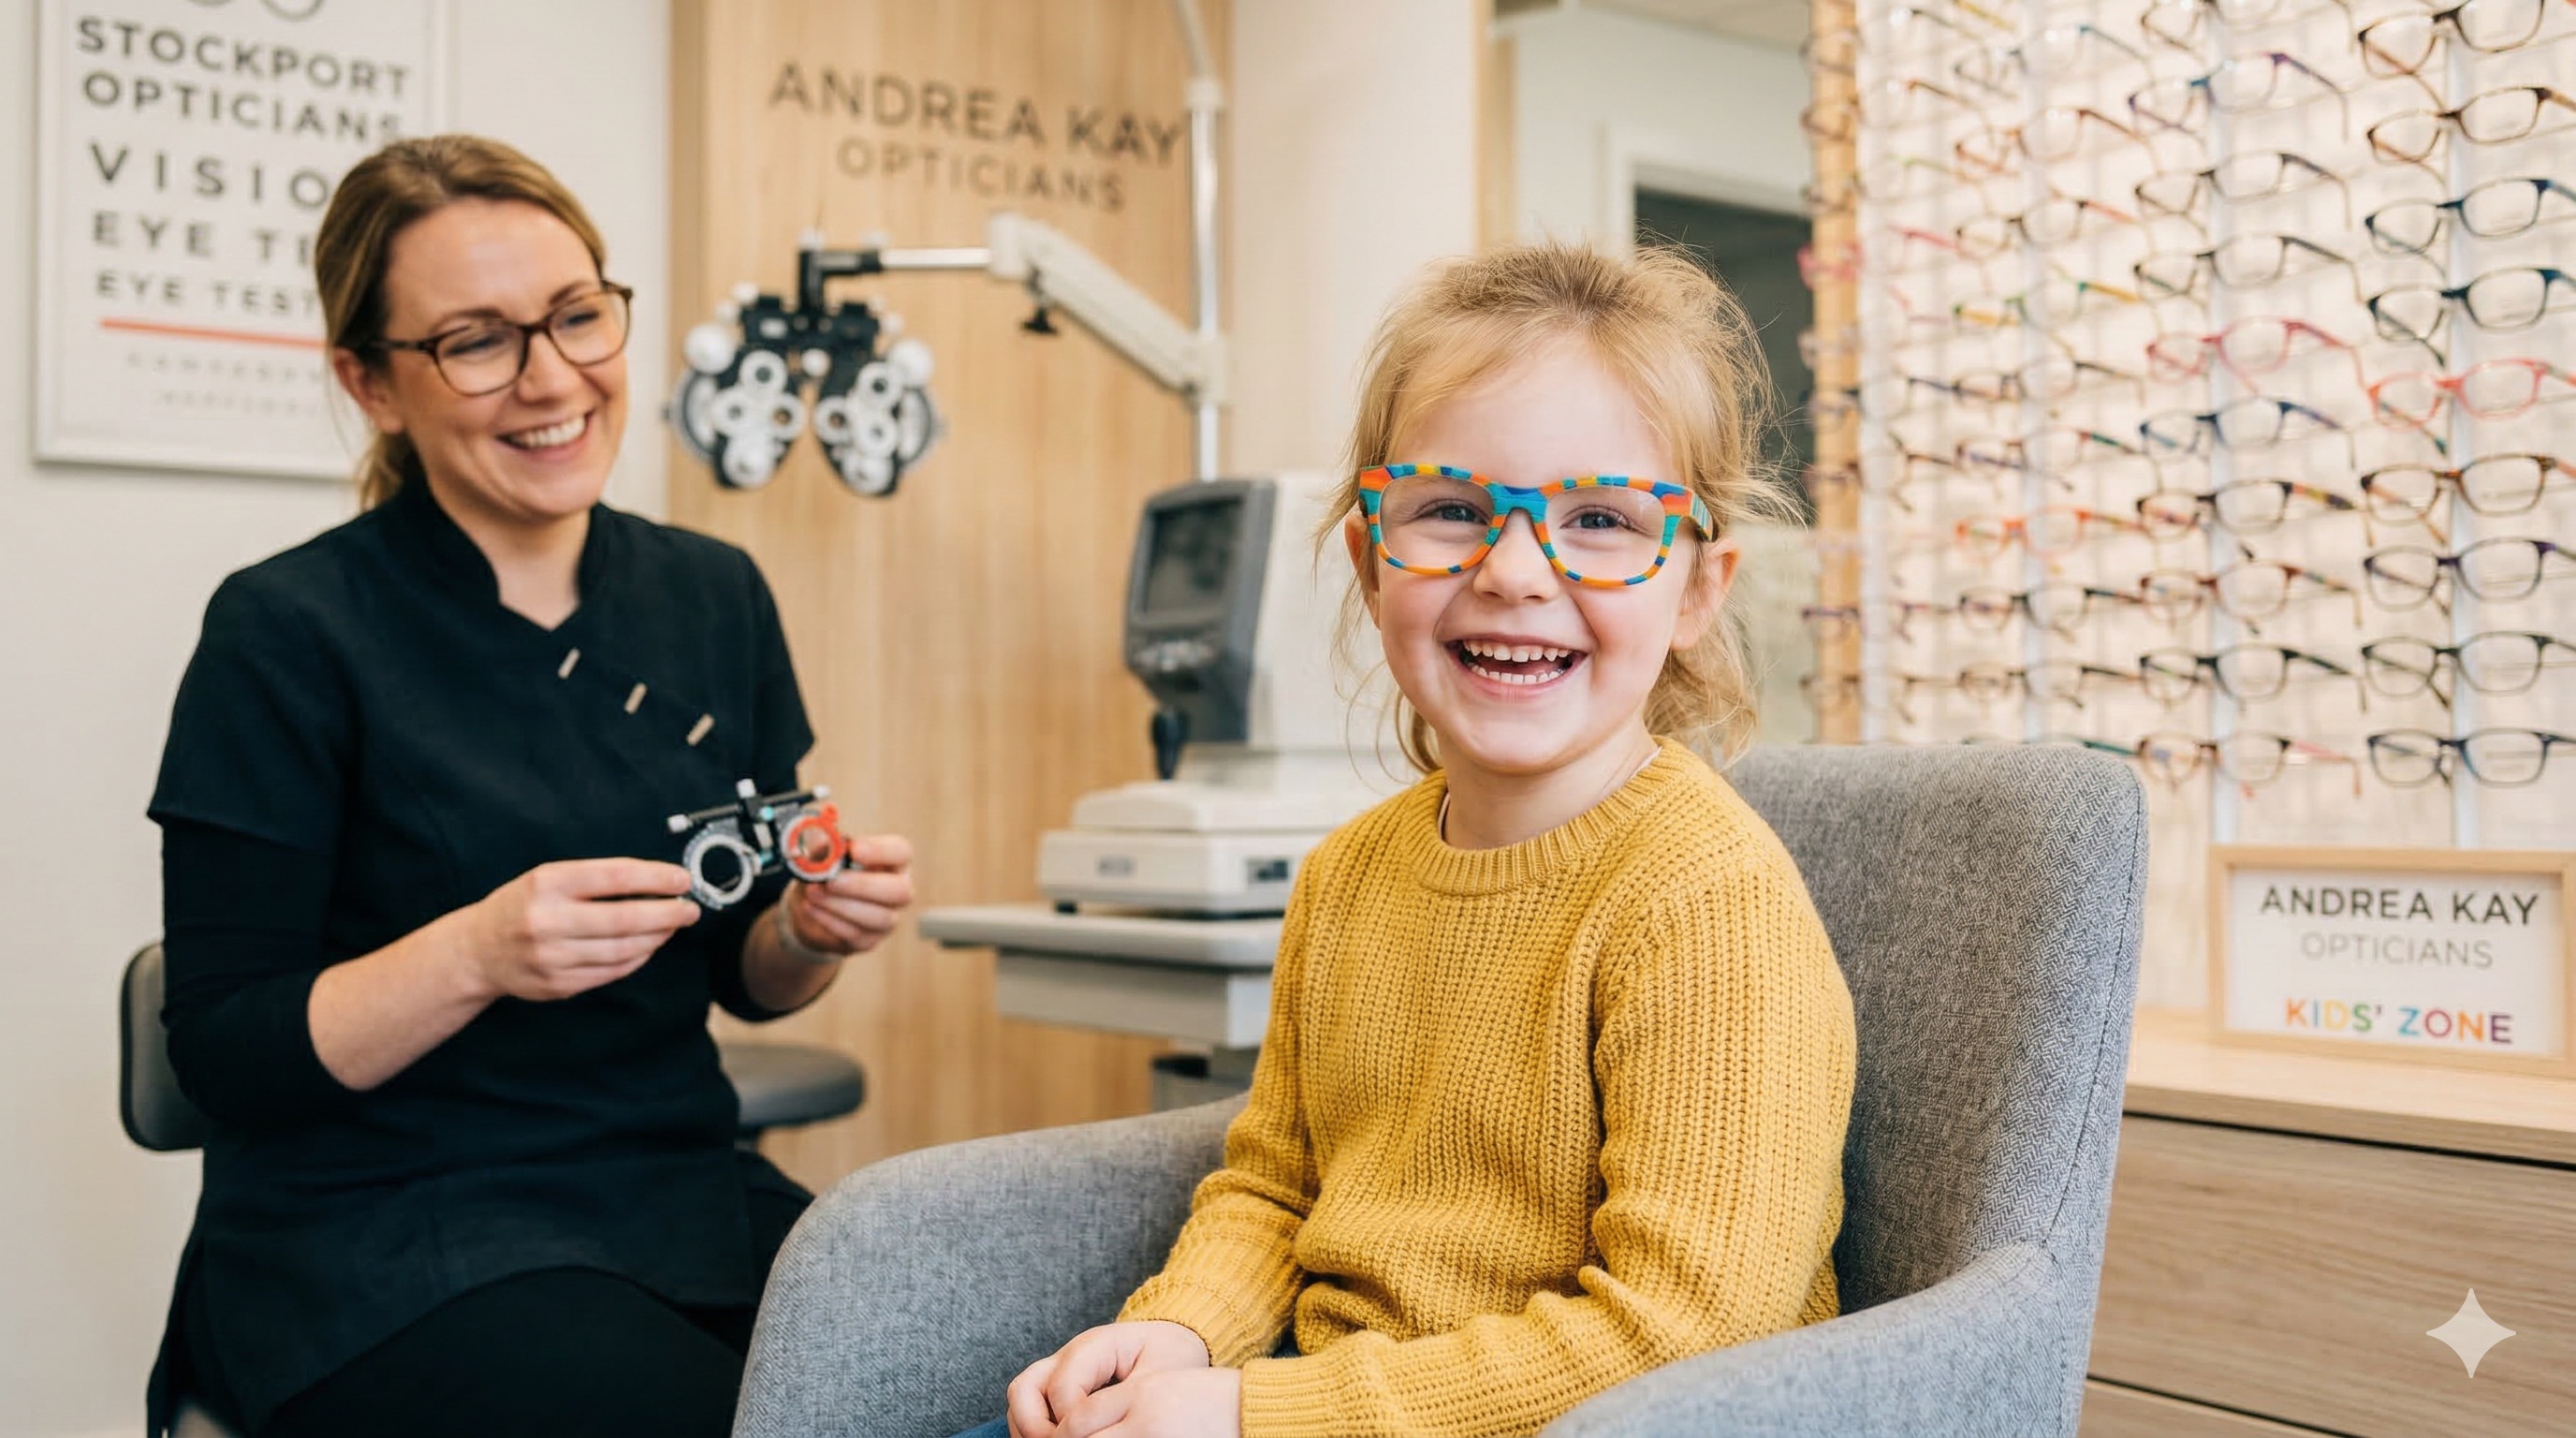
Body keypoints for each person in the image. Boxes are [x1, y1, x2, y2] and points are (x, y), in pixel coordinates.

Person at [965, 242, 1857, 1437]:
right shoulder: (1347, 877)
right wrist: (1180, 1330)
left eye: (1599, 520)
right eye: (1449, 511)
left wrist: (1250, 1414)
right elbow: (1277, 1187)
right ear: (1369, 558)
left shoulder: (1705, 899)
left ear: (1697, 591)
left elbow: (1685, 1331)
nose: (1514, 572)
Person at [145, 134, 913, 1438]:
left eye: (575, 316)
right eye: (477, 340)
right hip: (381, 1230)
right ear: (370, 383)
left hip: (670, 1190)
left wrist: (805, 931)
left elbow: (743, 974)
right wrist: (478, 952)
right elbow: (225, 1057)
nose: (553, 377)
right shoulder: (286, 630)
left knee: (962, 1358)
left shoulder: (710, 594)